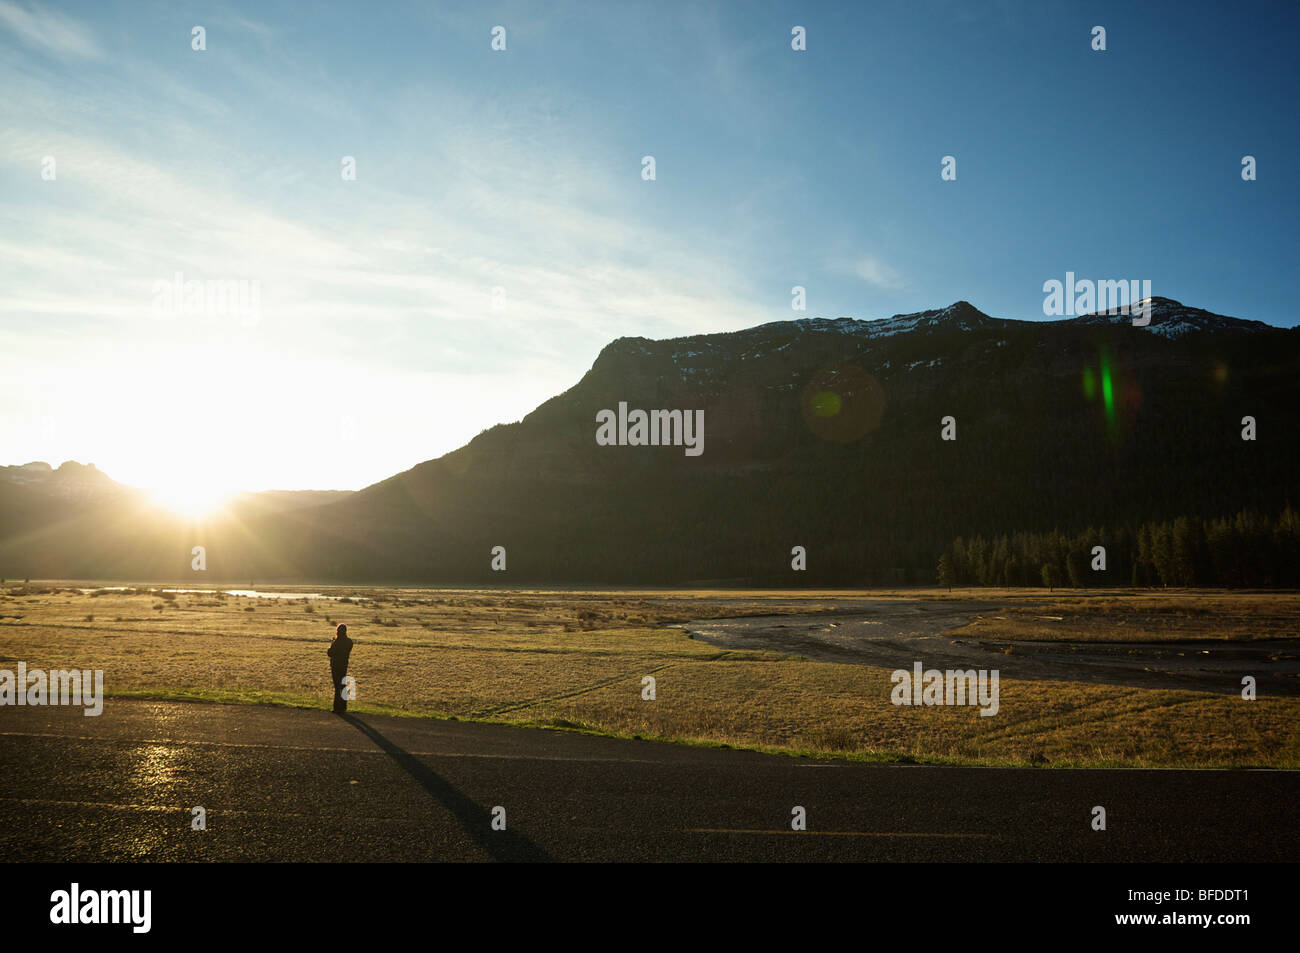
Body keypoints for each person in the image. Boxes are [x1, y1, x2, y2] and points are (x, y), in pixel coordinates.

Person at [327, 623, 354, 714]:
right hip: (344, 665)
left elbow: (330, 653)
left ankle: (336, 707)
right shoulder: (349, 642)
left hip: (335, 665)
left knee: (337, 686)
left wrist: (332, 644)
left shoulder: (336, 642)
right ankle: (343, 707)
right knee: (343, 685)